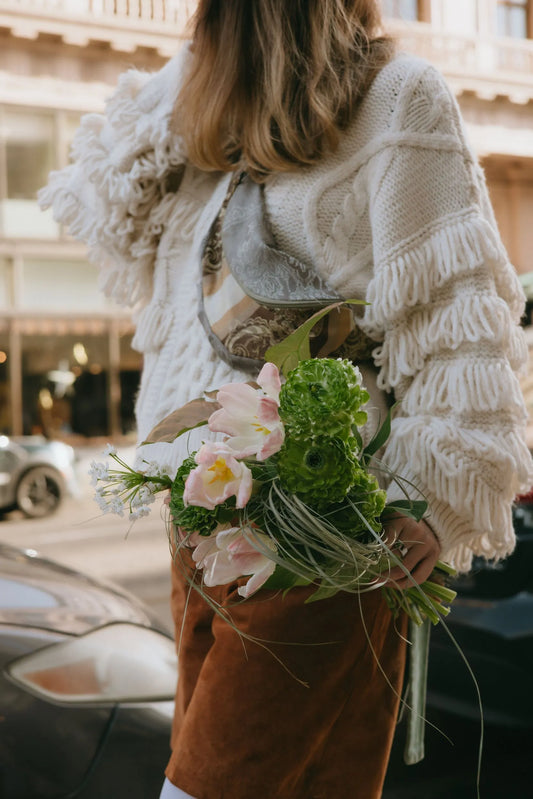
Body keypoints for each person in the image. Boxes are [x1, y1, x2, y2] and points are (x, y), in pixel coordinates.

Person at [39, 2, 532, 797]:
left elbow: (461, 317)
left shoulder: (397, 100)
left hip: (321, 525)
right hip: (200, 521)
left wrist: (432, 501)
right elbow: (97, 194)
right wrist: (194, 75)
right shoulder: (207, 134)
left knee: (203, 786)